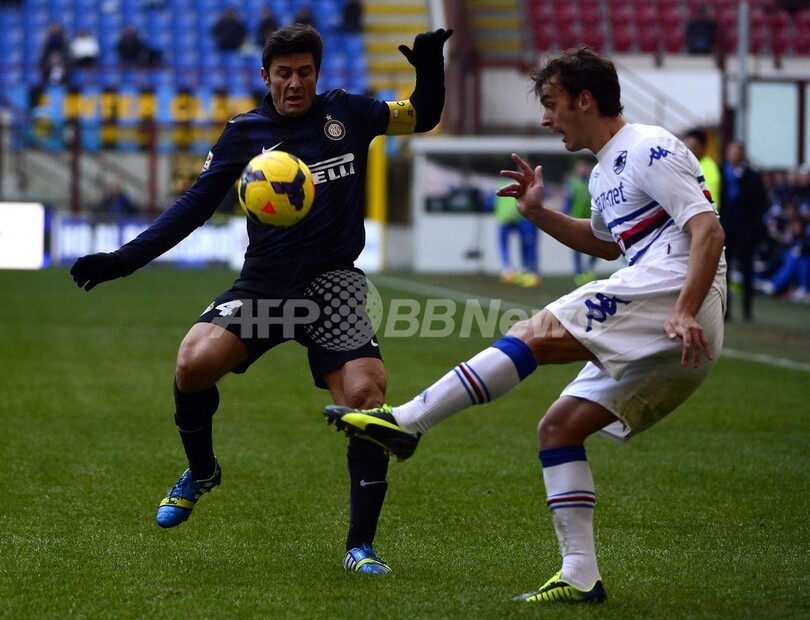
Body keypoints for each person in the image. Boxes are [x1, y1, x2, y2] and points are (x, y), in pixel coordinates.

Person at [324, 46, 727, 603]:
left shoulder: (649, 147)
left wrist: (683, 307)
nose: (545, 118)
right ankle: (580, 575)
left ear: (584, 100)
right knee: (558, 429)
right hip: (671, 319)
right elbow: (606, 244)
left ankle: (409, 422)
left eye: (552, 103)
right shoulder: (607, 169)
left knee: (533, 333)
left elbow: (708, 230)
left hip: (675, 293)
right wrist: (538, 213)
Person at [70, 24, 453, 574]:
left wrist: (430, 69)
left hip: (334, 287)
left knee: (367, 399)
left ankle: (360, 547)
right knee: (192, 363)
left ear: (317, 74)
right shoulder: (245, 133)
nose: (294, 84)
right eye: (283, 74)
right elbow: (195, 206)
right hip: (265, 285)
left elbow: (422, 115)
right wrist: (123, 260)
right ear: (265, 76)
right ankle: (202, 471)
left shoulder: (350, 113)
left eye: (304, 73)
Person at [720, 140, 769, 321]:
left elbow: (761, 204)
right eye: (732, 151)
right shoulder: (721, 173)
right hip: (725, 227)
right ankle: (725, 309)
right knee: (724, 269)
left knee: (746, 270)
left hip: (745, 230)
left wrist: (752, 226)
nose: (735, 155)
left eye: (738, 152)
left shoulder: (753, 176)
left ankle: (747, 310)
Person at [493, 181, 541, 287]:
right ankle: (514, 269)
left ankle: (517, 270)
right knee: (523, 243)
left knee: (522, 244)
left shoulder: (500, 184)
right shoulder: (520, 183)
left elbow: (491, 203)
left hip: (513, 218)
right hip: (514, 217)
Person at [562, 158, 597, 284]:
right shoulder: (573, 184)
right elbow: (568, 201)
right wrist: (566, 215)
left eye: (585, 167)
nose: (583, 169)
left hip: (592, 219)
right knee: (577, 247)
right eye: (581, 167)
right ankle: (578, 272)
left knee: (596, 245)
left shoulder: (593, 182)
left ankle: (589, 268)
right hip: (577, 219)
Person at [683, 128, 721, 212]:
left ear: (703, 147)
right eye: (687, 147)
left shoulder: (709, 168)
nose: (689, 151)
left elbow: (711, 199)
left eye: (694, 147)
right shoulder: (686, 164)